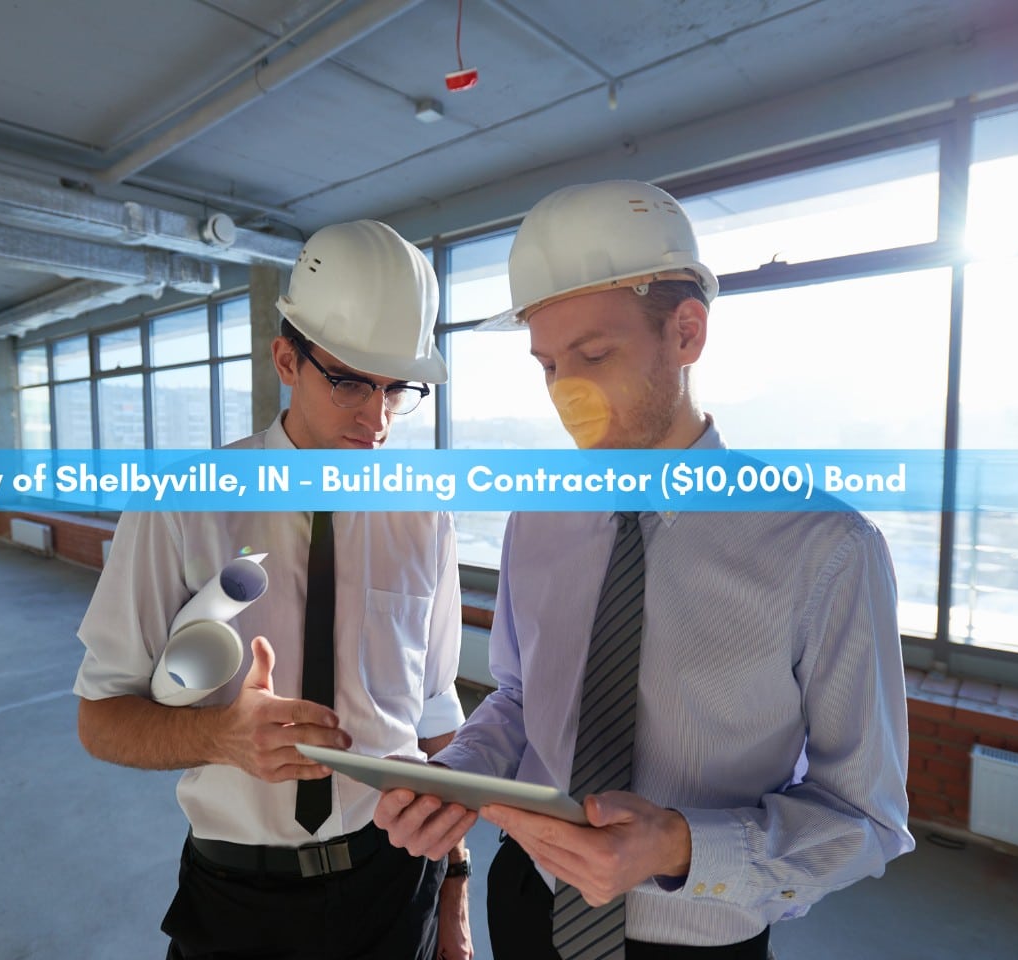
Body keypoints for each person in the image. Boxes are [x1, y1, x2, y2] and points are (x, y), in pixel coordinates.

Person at [374, 181, 914, 960]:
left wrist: (680, 847)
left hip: (696, 932)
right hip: (528, 901)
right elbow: (525, 699)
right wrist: (456, 772)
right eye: (549, 363)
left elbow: (867, 819)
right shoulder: (540, 515)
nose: (568, 393)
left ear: (687, 332)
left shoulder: (825, 548)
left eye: (594, 355)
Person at [74, 219, 474, 960]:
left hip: (398, 886)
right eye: (350, 380)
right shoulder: (183, 503)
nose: (376, 419)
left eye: (397, 389)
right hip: (240, 902)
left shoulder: (423, 513)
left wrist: (456, 894)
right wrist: (216, 737)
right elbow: (101, 719)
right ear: (286, 360)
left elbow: (435, 719)